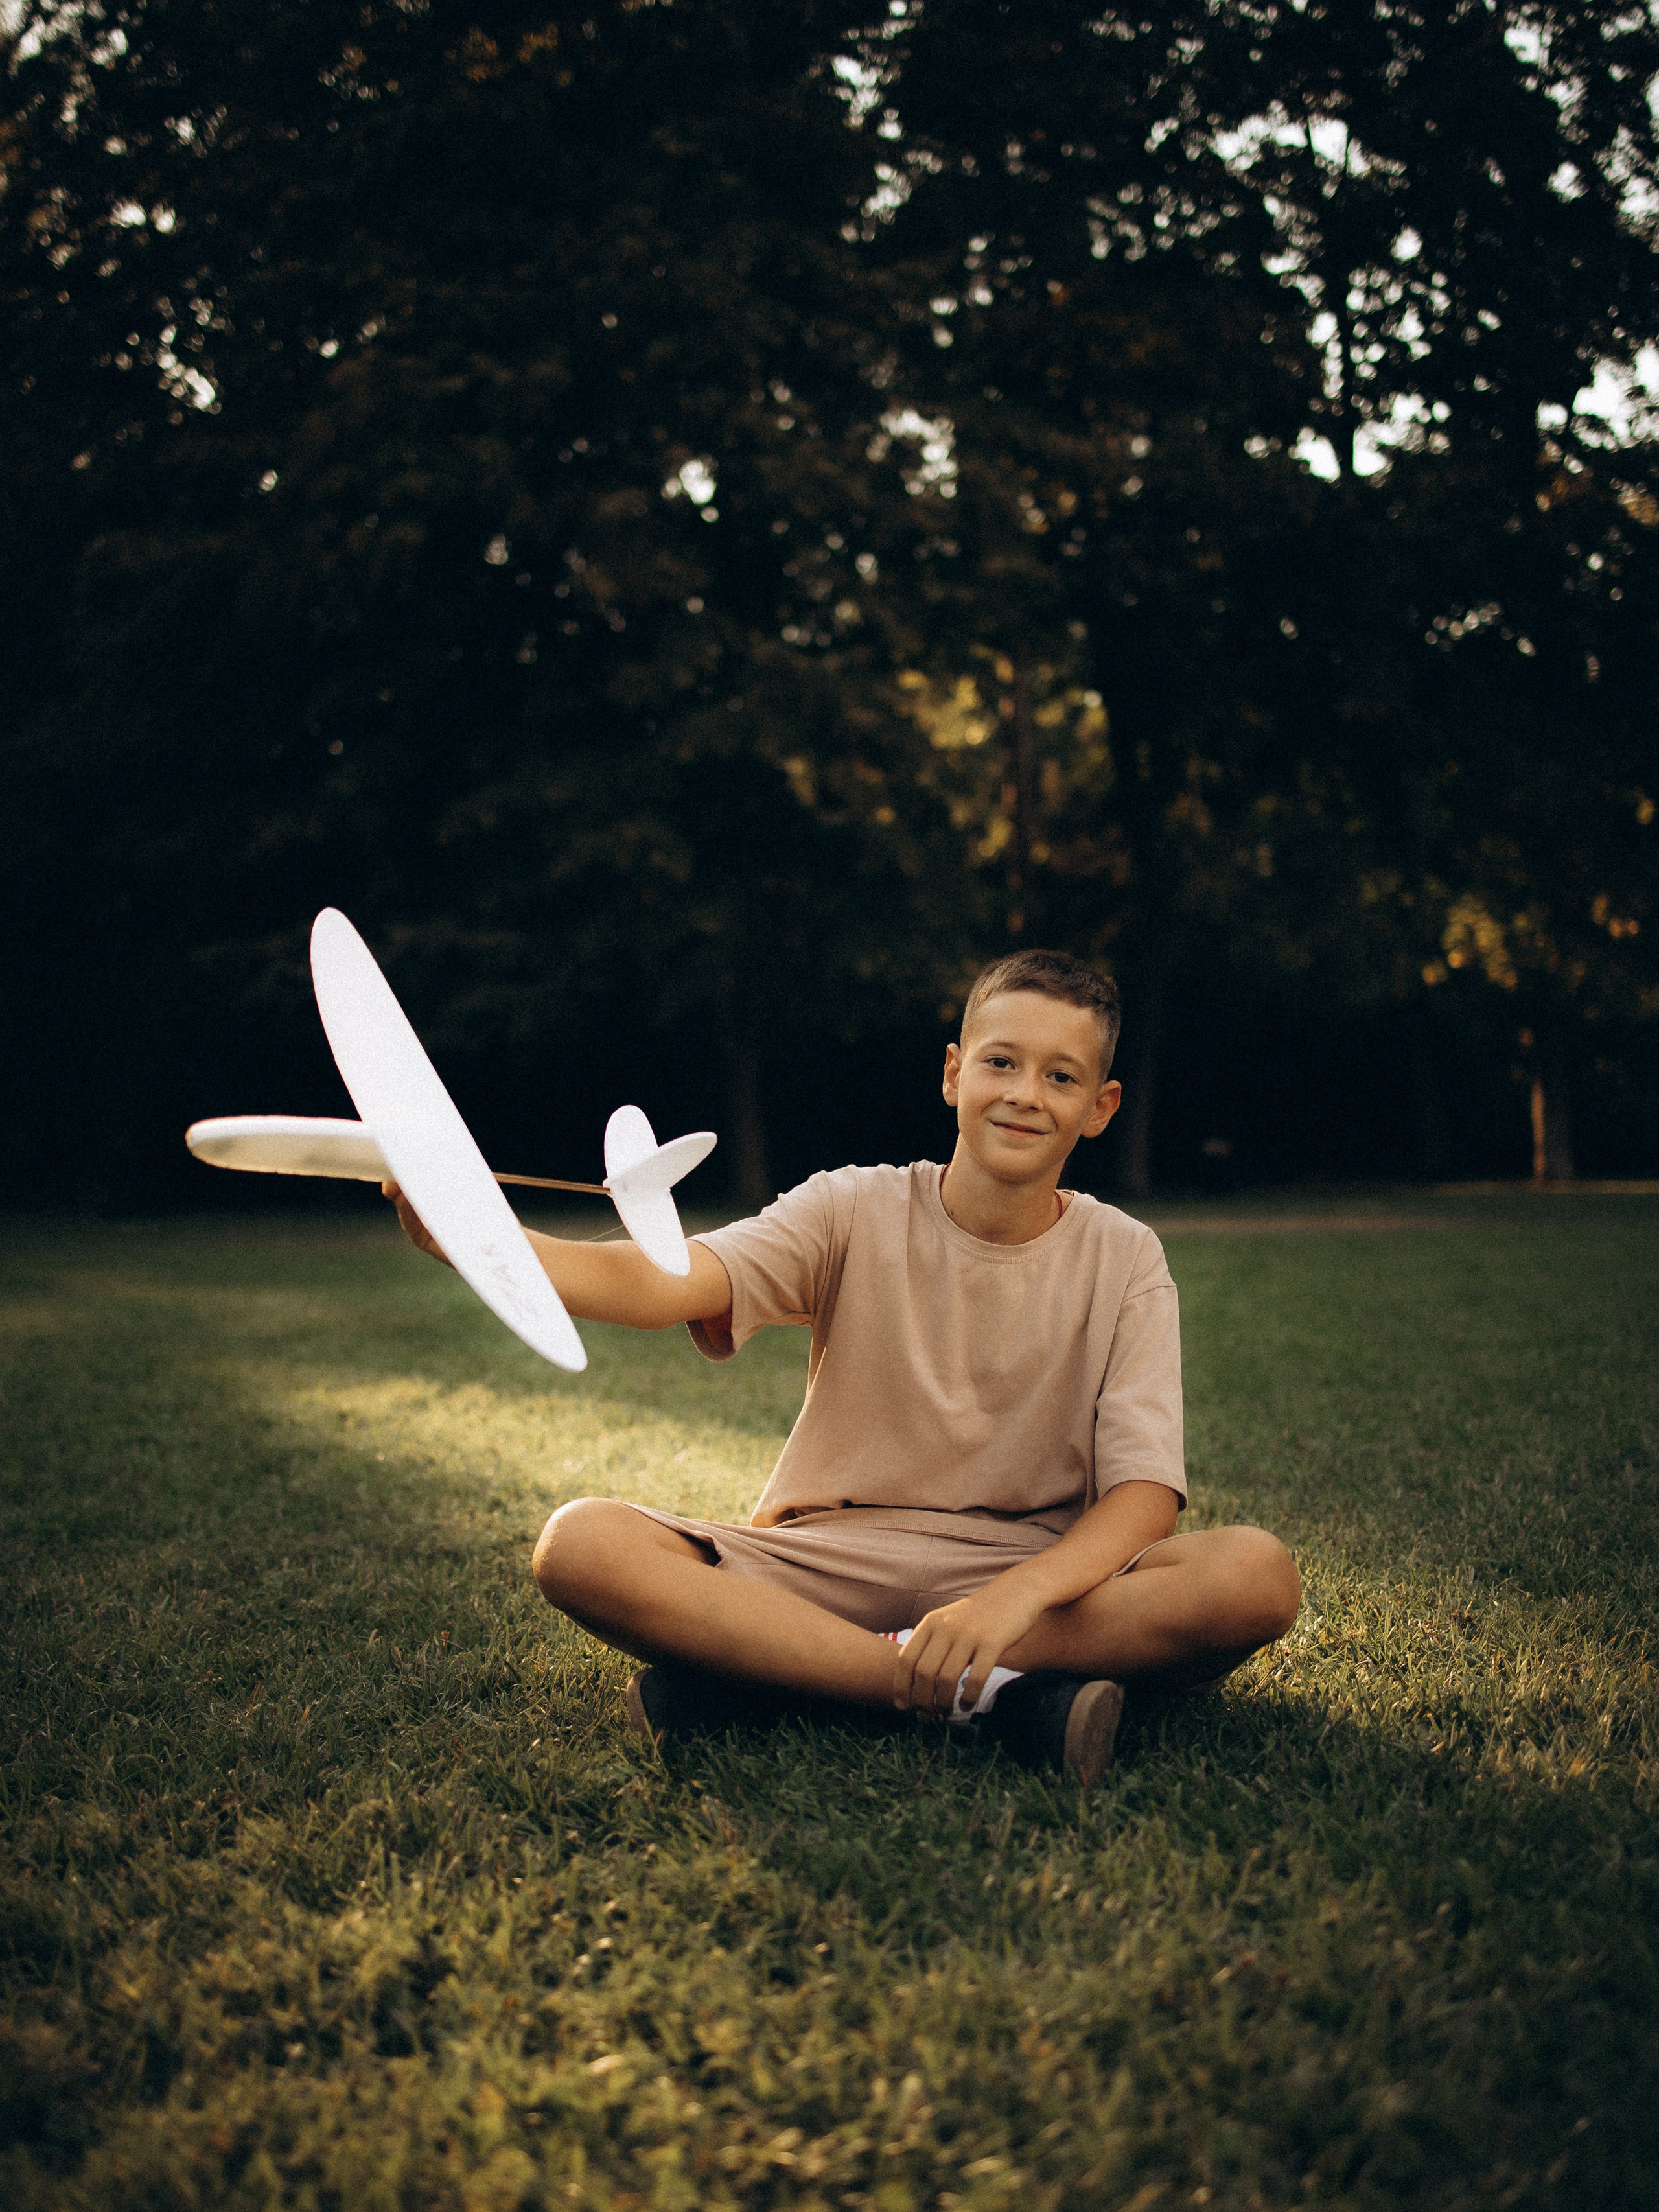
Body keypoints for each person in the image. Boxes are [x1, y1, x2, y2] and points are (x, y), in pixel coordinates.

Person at [386, 950, 1300, 1787]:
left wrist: (1007, 1602)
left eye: (1061, 1076)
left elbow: (1144, 1498)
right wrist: (481, 1237)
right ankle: (993, 1698)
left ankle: (781, 1676)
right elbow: (666, 1280)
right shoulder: (852, 1205)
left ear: (1100, 1105)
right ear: (954, 1072)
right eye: (1001, 1062)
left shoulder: (1127, 1256)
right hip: (825, 1554)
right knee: (579, 1543)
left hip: (1022, 1577)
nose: (1025, 1093)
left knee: (1254, 1575)